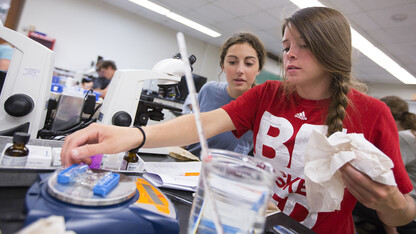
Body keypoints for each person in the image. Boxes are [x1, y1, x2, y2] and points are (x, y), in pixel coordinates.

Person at [60, 7, 415, 233]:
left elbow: (402, 215)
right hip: (254, 224)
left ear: (330, 49)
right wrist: (129, 135)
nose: (289, 54)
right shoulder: (268, 94)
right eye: (286, 45)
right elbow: (202, 124)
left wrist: (393, 205)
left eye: (301, 45)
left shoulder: (372, 113)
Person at [185, 32, 266, 157]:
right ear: (223, 65)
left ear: (259, 69)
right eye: (232, 62)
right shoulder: (209, 90)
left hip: (221, 173)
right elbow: (188, 132)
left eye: (249, 63)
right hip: (184, 166)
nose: (240, 70)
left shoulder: (262, 109)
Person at [380, 96, 416, 234]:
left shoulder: (404, 138)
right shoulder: (411, 134)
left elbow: (387, 179)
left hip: (407, 214)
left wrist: (391, 230)